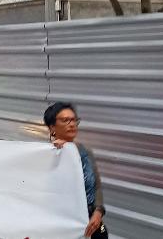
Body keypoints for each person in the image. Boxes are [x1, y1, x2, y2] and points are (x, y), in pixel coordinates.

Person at [45, 102, 107, 239]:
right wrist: (58, 153)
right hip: (64, 228)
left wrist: (98, 212)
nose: (72, 124)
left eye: (74, 120)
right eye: (65, 120)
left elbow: (97, 186)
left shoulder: (85, 152)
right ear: (52, 127)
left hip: (92, 224)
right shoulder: (46, 155)